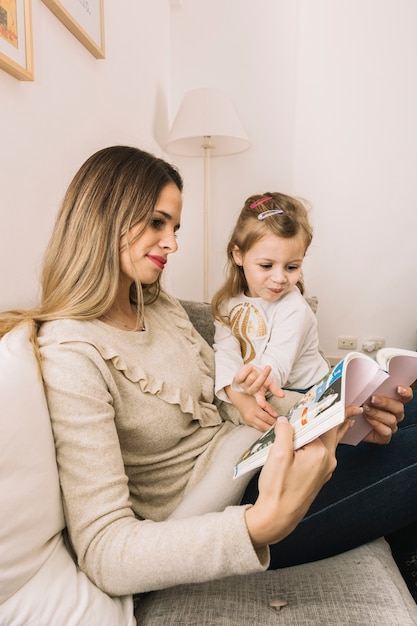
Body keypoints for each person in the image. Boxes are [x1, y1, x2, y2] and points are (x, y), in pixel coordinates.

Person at [0, 146, 414, 606]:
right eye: (157, 223)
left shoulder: (154, 303)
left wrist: (344, 415)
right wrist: (261, 524)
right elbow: (103, 551)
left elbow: (227, 399)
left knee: (403, 404)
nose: (172, 244)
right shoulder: (71, 353)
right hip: (231, 504)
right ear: (104, 217)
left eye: (174, 228)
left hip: (255, 450)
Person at [212, 192, 329, 433]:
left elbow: (277, 367)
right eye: (266, 265)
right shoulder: (227, 303)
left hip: (306, 389)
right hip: (260, 384)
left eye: (292, 267)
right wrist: (237, 393)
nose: (279, 278)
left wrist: (255, 382)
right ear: (238, 255)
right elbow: (225, 351)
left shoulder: (294, 308)